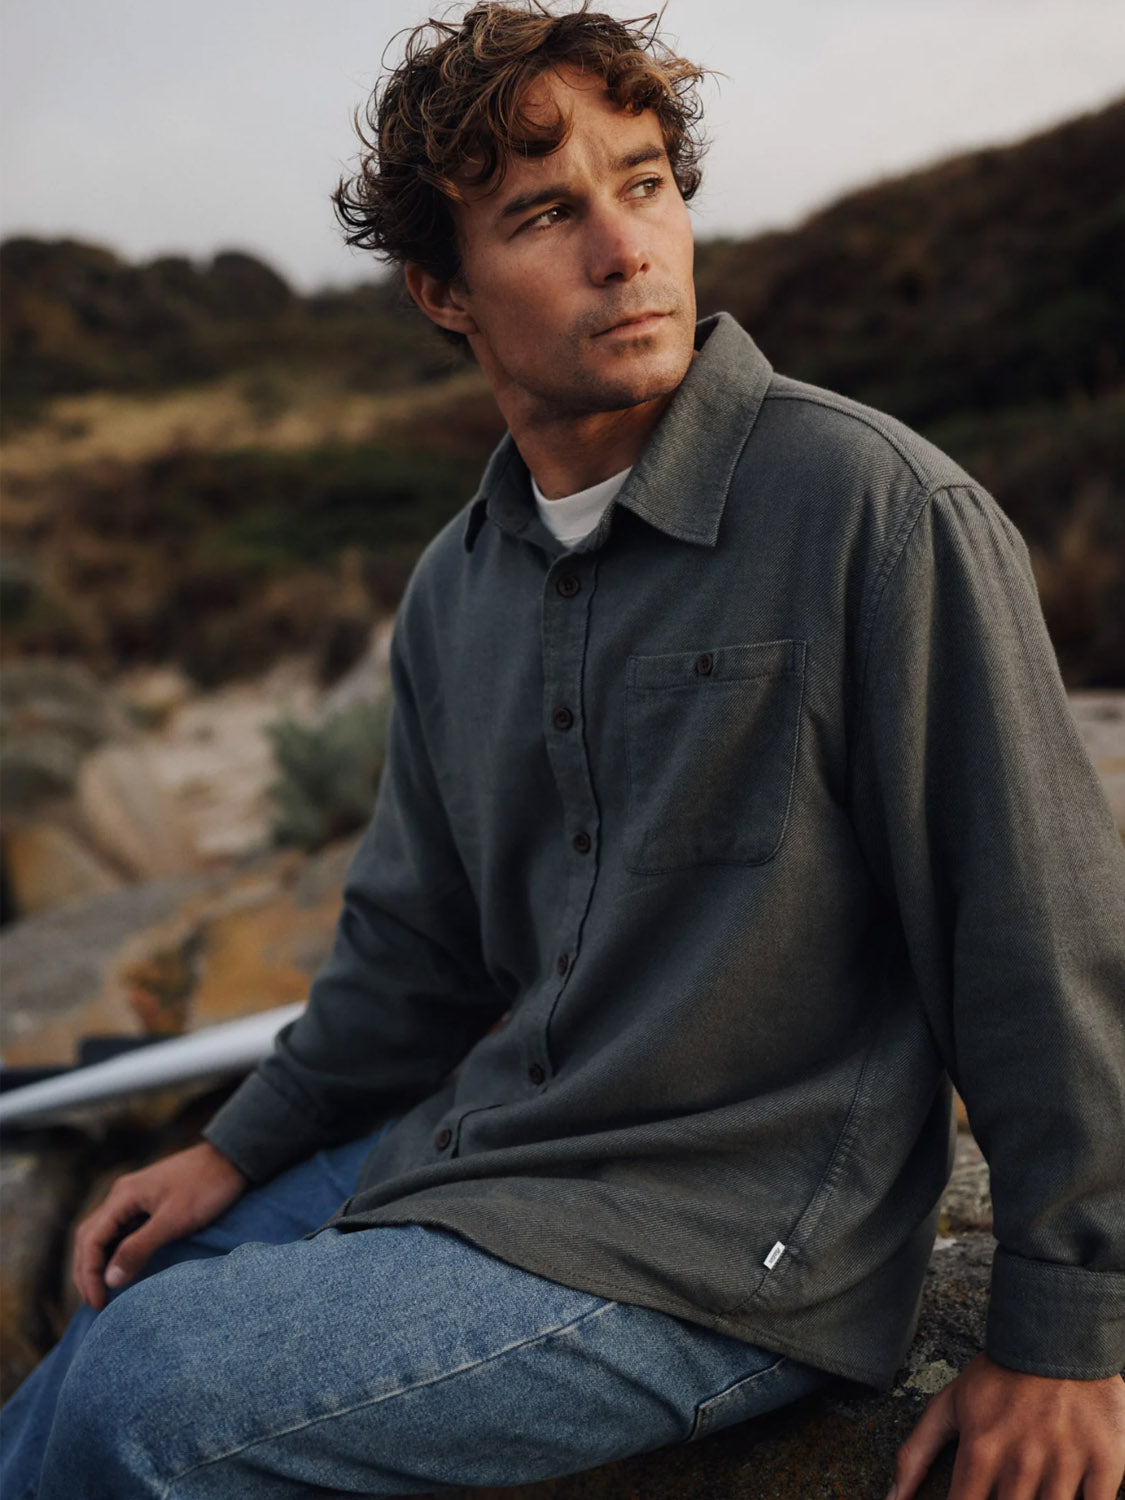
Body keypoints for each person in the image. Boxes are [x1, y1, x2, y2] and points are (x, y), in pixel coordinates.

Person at [3, 4, 1123, 1497]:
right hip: (494, 1158)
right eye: (546, 213)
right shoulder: (458, 584)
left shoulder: (875, 512)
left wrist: (1066, 1333)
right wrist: (236, 1145)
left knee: (141, 1397)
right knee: (135, 1286)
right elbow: (410, 952)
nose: (625, 246)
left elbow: (1035, 936)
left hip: (727, 1238)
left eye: (646, 181)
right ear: (440, 292)